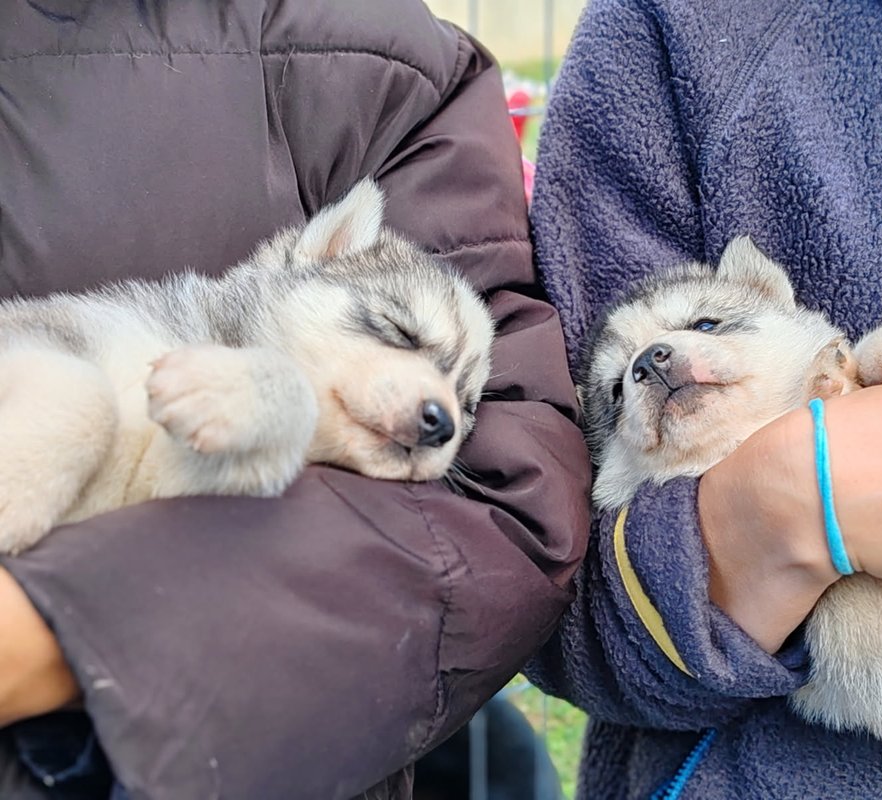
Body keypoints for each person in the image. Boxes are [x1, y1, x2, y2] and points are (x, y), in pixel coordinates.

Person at [0, 1, 590, 797]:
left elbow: (501, 512)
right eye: (393, 330)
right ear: (322, 252)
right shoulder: (151, 331)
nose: (438, 410)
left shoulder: (399, 70)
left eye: (461, 396)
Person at [528, 0, 882, 797]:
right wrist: (772, 515)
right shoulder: (673, 28)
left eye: (706, 321)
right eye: (617, 386)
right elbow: (548, 577)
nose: (655, 361)